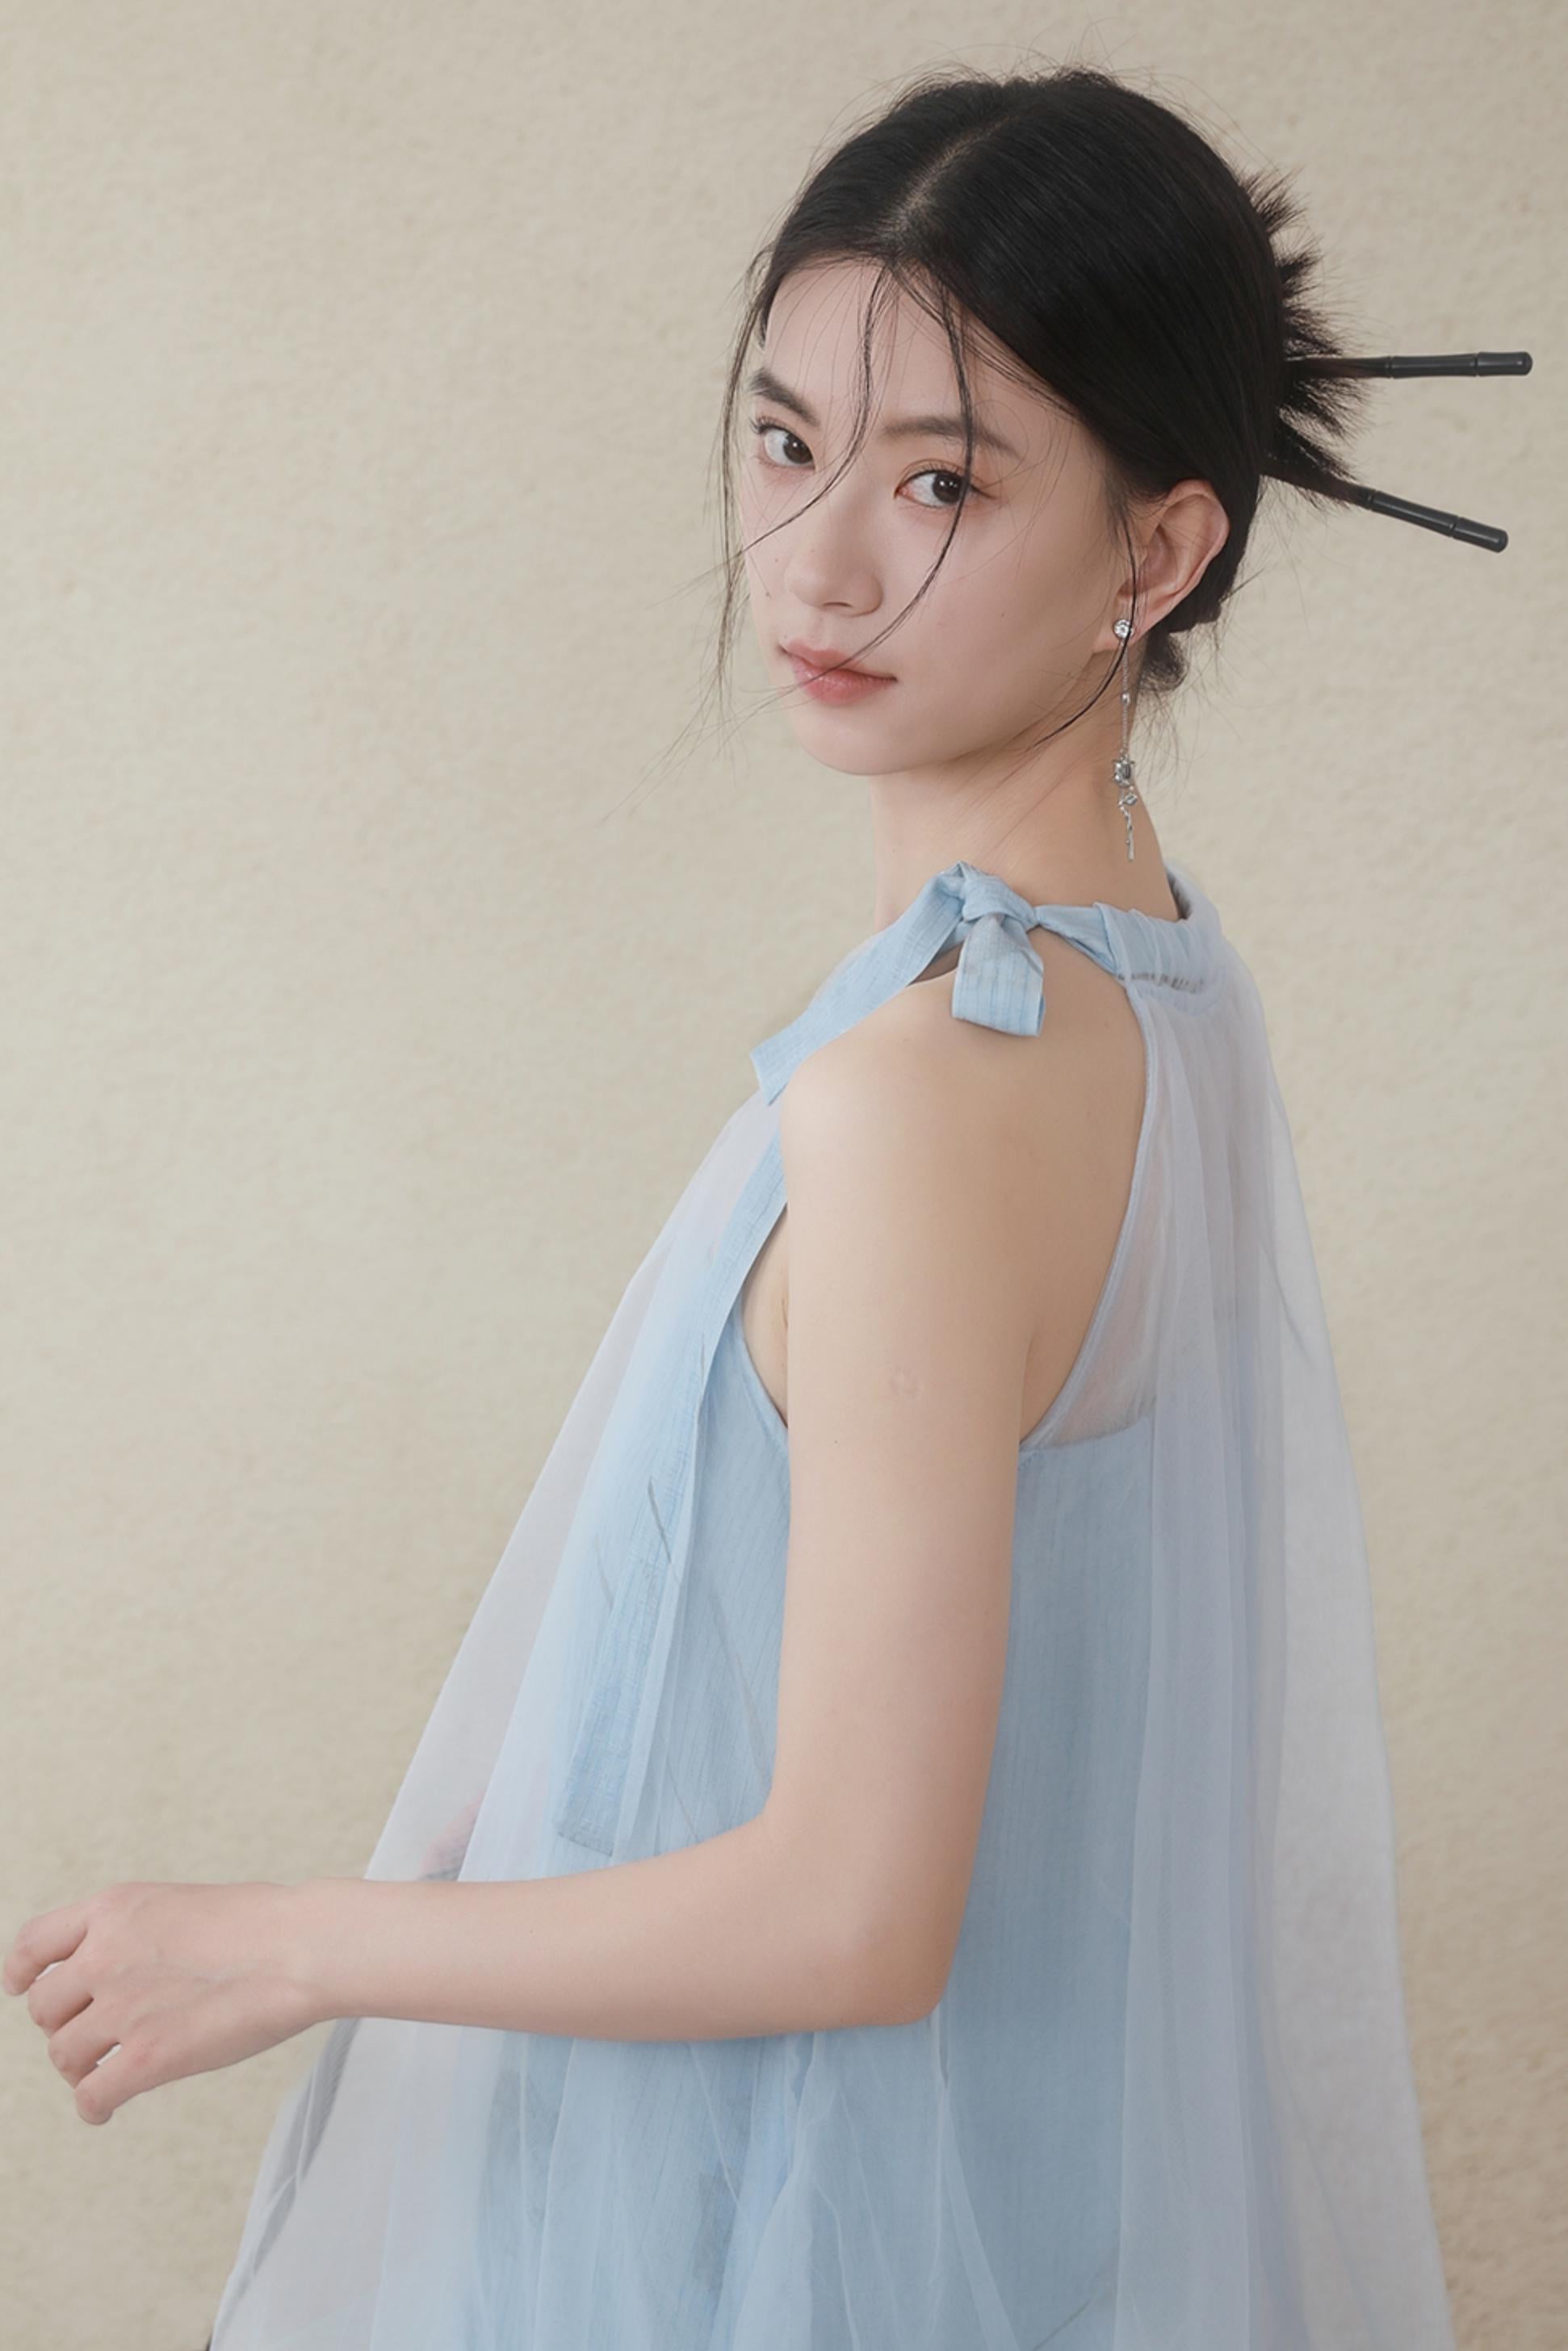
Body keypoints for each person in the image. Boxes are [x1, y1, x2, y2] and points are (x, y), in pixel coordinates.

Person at [9, 61, 1520, 2351]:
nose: (816, 564)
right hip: (982, 2217)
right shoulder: (1158, 984)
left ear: (1157, 556)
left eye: (941, 483)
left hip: (776, 2237)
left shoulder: (928, 1093)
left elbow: (852, 1913)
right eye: (786, 441)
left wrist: (281, 1946)